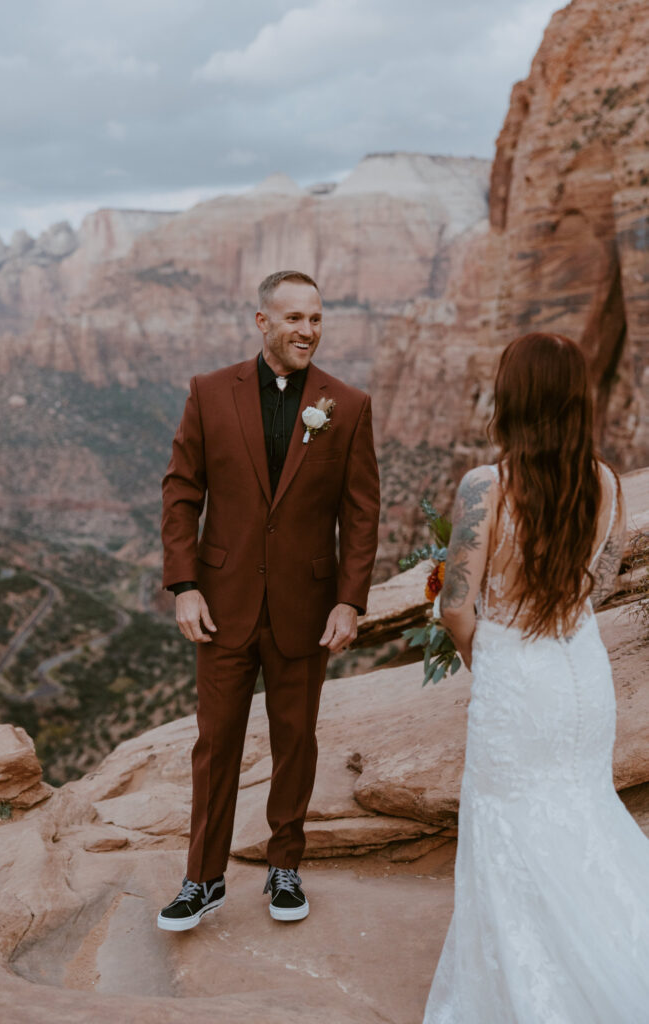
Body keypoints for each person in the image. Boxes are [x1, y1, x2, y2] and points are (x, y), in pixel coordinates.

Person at [423, 332, 649, 1022]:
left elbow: (455, 607)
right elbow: (597, 586)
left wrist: (484, 658)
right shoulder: (607, 482)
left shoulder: (484, 486)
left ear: (512, 399)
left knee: (509, 827)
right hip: (579, 672)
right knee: (580, 812)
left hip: (518, 677)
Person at [157, 270, 380, 931]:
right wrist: (184, 584)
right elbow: (180, 493)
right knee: (215, 743)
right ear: (262, 322)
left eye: (315, 318)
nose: (307, 330)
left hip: (306, 606)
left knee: (296, 741)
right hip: (221, 602)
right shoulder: (207, 392)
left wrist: (349, 602)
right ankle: (202, 878)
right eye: (293, 319)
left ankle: (286, 866)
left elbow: (361, 513)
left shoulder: (348, 404)